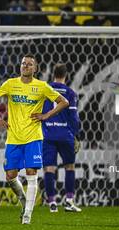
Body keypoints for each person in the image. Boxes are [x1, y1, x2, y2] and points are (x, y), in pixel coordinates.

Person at [0, 54, 69, 224]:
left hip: (33, 137)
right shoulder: (11, 84)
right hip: (14, 137)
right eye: (23, 63)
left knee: (32, 174)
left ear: (35, 69)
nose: (25, 66)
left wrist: (46, 115)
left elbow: (63, 102)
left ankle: (27, 216)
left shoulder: (41, 86)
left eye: (29, 64)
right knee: (10, 176)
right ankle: (25, 202)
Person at [42, 63, 81, 213]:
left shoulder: (45, 90)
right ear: (66, 75)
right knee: (69, 167)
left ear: (53, 75)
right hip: (66, 135)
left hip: (48, 135)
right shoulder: (70, 93)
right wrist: (77, 135)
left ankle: (52, 204)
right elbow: (74, 117)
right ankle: (69, 202)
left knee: (49, 169)